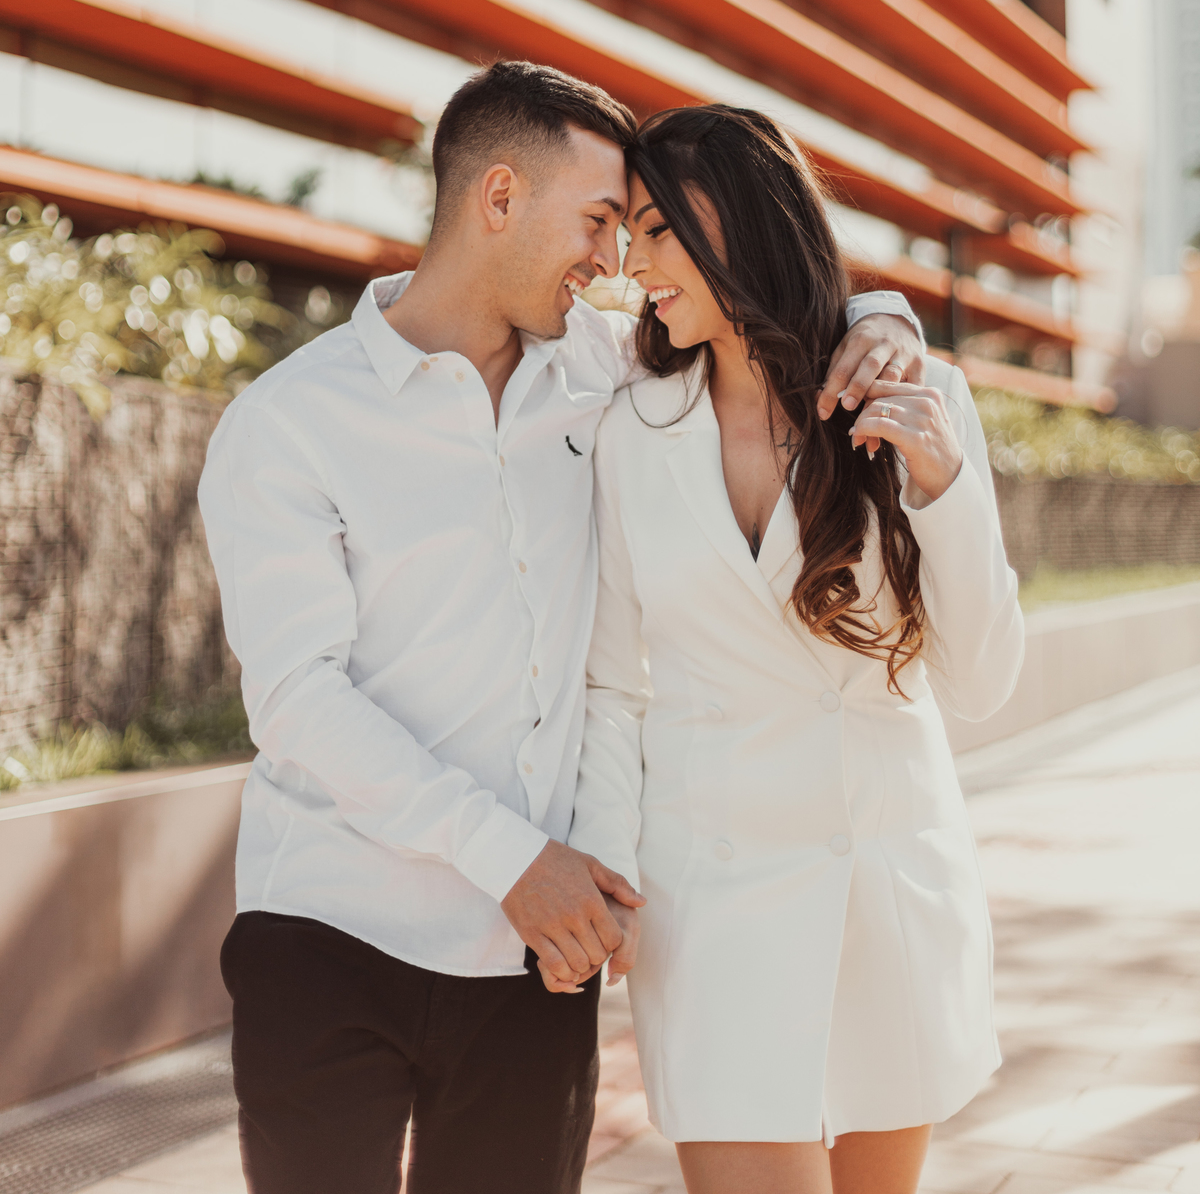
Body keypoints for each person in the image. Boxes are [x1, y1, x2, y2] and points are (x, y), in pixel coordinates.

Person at [198, 62, 925, 1194]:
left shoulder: (610, 378)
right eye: (597, 222)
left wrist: (886, 315)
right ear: (499, 199)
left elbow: (765, 313)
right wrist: (516, 860)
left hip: (536, 956)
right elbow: (298, 701)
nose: (617, 263)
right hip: (332, 934)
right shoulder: (289, 422)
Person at [566, 104, 1023, 1194]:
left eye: (658, 229)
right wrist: (607, 866)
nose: (635, 262)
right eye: (626, 232)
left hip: (887, 893)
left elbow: (985, 681)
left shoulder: (921, 396)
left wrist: (946, 486)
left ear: (746, 223)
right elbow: (611, 683)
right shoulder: (632, 431)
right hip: (715, 909)